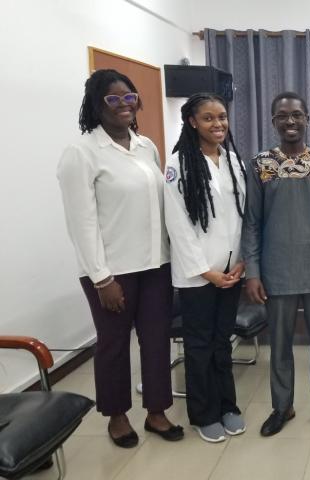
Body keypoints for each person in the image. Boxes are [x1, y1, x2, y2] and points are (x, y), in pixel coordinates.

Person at [57, 69, 183, 448]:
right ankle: (116, 415)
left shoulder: (147, 147)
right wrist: (101, 278)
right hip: (112, 271)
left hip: (154, 264)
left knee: (156, 339)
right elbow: (81, 222)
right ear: (97, 105)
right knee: (113, 344)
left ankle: (157, 411)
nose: (125, 105)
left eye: (130, 97)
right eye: (114, 99)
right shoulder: (81, 153)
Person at [242, 92, 310, 436]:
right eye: (283, 116)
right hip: (276, 273)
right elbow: (252, 222)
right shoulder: (260, 164)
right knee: (281, 348)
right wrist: (254, 272)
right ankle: (281, 407)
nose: (291, 121)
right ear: (273, 121)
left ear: (308, 119)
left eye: (297, 115)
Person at [164, 93, 247, 443]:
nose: (218, 124)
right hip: (198, 276)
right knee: (198, 346)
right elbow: (178, 226)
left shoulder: (232, 161)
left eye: (223, 117)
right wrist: (205, 270)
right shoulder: (179, 165)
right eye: (209, 118)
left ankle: (227, 405)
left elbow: (242, 216)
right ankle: (203, 413)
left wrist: (241, 260)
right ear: (192, 122)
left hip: (231, 271)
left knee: (222, 343)